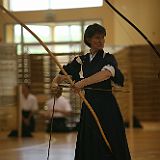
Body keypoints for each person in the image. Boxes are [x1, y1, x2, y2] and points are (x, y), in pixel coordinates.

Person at [52, 23, 131, 160]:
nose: (101, 41)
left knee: (110, 140)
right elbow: (62, 74)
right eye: (97, 37)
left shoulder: (108, 57)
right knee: (90, 141)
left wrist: (82, 83)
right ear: (88, 39)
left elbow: (106, 74)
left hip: (107, 107)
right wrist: (54, 83)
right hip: (89, 106)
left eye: (102, 38)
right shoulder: (81, 60)